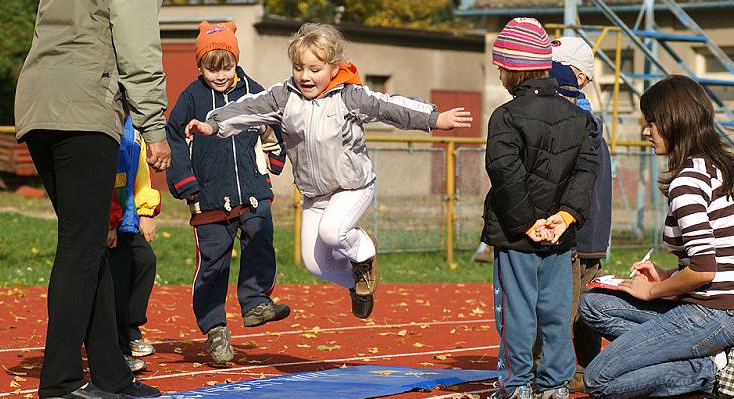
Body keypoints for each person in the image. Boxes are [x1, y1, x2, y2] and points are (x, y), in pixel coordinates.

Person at [185, 23, 472, 320]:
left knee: (333, 233)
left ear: (333, 68)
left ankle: (364, 251)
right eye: (299, 68)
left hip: (352, 186)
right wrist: (213, 124)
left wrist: (435, 118)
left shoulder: (350, 96)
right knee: (315, 264)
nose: (305, 76)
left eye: (314, 69)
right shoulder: (285, 96)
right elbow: (247, 108)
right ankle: (359, 282)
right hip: (315, 195)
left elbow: (390, 107)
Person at [13, 0, 172, 399]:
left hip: (38, 105)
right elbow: (139, 50)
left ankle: (111, 373)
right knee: (82, 248)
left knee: (94, 243)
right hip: (85, 109)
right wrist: (154, 126)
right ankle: (59, 380)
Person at [579, 74, 734, 399]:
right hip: (723, 310)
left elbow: (705, 270)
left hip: (713, 314)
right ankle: (692, 356)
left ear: (675, 121)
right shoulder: (716, 167)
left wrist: (652, 290)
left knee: (599, 379)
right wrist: (666, 276)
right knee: (594, 305)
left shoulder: (688, 181)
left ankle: (710, 369)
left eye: (652, 122)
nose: (646, 131)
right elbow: (711, 257)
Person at [481, 18, 598, 399]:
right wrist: (565, 217)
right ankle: (557, 385)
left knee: (518, 308)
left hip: (517, 234)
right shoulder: (580, 117)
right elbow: (586, 171)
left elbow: (504, 173)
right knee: (554, 307)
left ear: (513, 68)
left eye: (500, 67)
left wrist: (527, 222)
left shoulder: (506, 116)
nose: (499, 74)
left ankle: (517, 386)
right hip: (560, 233)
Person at [166, 21, 290, 367]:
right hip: (207, 194)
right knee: (213, 263)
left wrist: (274, 160)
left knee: (260, 238)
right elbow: (174, 136)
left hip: (252, 189)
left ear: (236, 62)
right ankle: (215, 328)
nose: (220, 75)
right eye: (211, 68)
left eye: (227, 67)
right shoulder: (191, 97)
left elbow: (273, 125)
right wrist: (185, 181)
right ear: (200, 66)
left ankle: (254, 302)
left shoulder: (254, 91)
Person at [550, 38, 613, 391]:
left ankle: (572, 371)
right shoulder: (586, 122)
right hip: (587, 231)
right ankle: (585, 369)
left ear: (580, 77)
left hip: (579, 232)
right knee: (578, 308)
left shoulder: (580, 124)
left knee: (570, 308)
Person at [107, 115, 161, 374]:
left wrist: (146, 212)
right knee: (115, 282)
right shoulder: (109, 121)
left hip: (128, 216)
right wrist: (109, 222)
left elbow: (140, 173)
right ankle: (117, 349)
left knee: (145, 261)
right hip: (110, 216)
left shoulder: (134, 126)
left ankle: (130, 329)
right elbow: (107, 176)